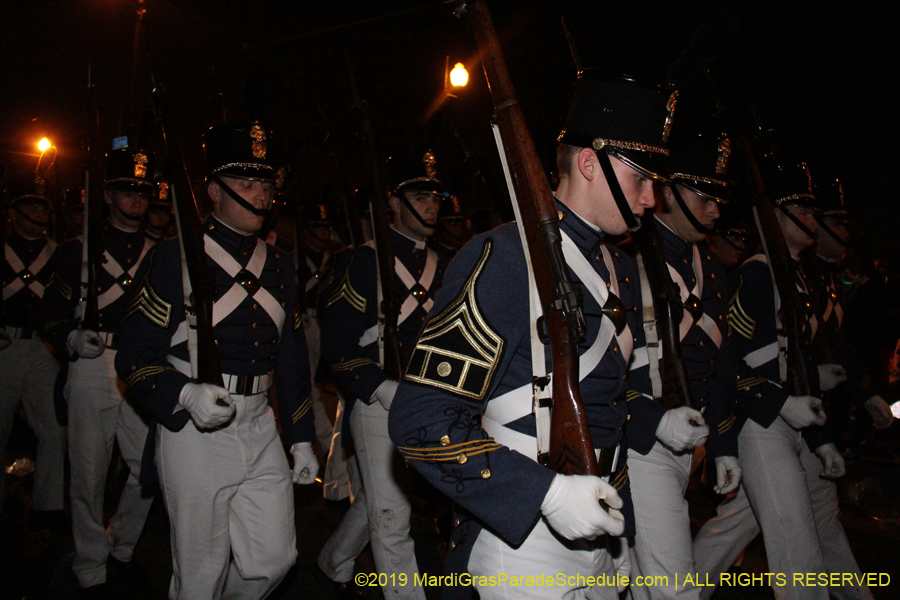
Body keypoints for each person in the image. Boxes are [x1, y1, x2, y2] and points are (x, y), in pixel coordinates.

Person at [389, 71, 673, 600]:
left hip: (606, 525)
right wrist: (546, 495)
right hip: (523, 540)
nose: (653, 198)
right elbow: (419, 420)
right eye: (641, 179)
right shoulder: (504, 258)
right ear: (591, 164)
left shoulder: (620, 268)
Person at [114, 123, 316, 599]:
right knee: (200, 573)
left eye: (266, 185)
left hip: (261, 423)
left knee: (273, 560)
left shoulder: (281, 265)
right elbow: (134, 355)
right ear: (213, 191)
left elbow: (290, 362)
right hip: (195, 431)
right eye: (246, 184)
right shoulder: (171, 258)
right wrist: (182, 393)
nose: (260, 195)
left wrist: (303, 437)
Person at [691, 160, 871, 600]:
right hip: (760, 424)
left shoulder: (797, 278)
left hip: (793, 425)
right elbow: (727, 363)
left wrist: (821, 434)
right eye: (803, 211)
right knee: (797, 549)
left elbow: (796, 358)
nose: (814, 220)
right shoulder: (755, 276)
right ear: (774, 216)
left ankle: (677, 589)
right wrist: (779, 400)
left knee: (779, 527)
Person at [315, 150, 446, 600]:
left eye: (434, 196)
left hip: (429, 401)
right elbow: (338, 346)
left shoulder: (443, 263)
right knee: (394, 522)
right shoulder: (363, 262)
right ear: (393, 202)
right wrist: (382, 387)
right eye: (418, 195)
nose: (431, 205)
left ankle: (333, 560)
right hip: (377, 402)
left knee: (382, 500)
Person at [622, 124, 741, 600]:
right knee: (675, 587)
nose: (715, 210)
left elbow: (720, 364)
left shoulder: (709, 268)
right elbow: (609, 366)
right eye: (705, 196)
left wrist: (722, 441)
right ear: (667, 192)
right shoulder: (627, 257)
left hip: (687, 441)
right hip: (640, 439)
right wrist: (653, 418)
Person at [42, 147, 159, 597]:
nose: (137, 199)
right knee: (88, 473)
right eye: (128, 189)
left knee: (149, 466)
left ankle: (122, 546)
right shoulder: (77, 251)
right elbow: (51, 312)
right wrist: (71, 338)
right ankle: (90, 562)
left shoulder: (158, 253)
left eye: (143, 191)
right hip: (92, 366)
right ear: (108, 194)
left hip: (142, 364)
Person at [0, 167, 66, 532]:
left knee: (54, 429)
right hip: (4, 346)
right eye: (30, 205)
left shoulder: (59, 254)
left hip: (42, 348)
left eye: (43, 205)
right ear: (13, 212)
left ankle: (49, 507)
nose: (40, 212)